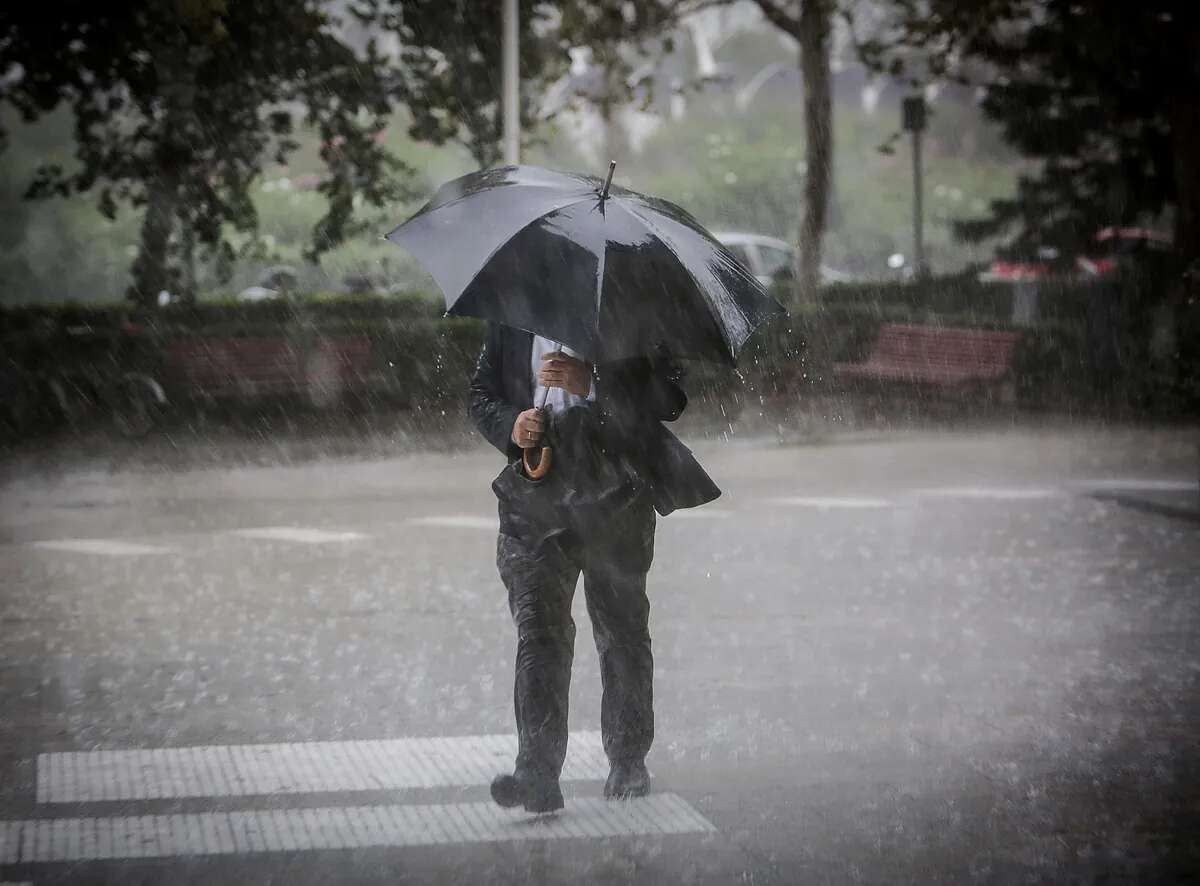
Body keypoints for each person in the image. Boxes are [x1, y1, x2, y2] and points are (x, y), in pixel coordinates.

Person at [469, 324, 720, 813]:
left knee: (621, 632)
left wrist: (595, 384)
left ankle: (628, 759)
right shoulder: (513, 315)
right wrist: (511, 425)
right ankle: (536, 772)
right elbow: (482, 393)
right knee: (539, 634)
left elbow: (669, 400)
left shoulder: (628, 310)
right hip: (536, 496)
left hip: (617, 494)